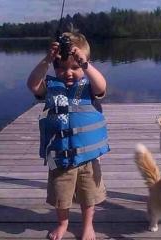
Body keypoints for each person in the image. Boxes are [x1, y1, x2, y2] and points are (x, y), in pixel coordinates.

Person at [27, 32, 110, 240]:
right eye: (61, 67)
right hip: (60, 155)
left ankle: (87, 226)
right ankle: (63, 223)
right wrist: (47, 59)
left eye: (75, 67)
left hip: (88, 158)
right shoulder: (52, 87)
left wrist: (85, 64)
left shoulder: (89, 87)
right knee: (61, 196)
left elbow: (102, 85)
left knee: (88, 195)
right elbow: (32, 84)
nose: (68, 73)